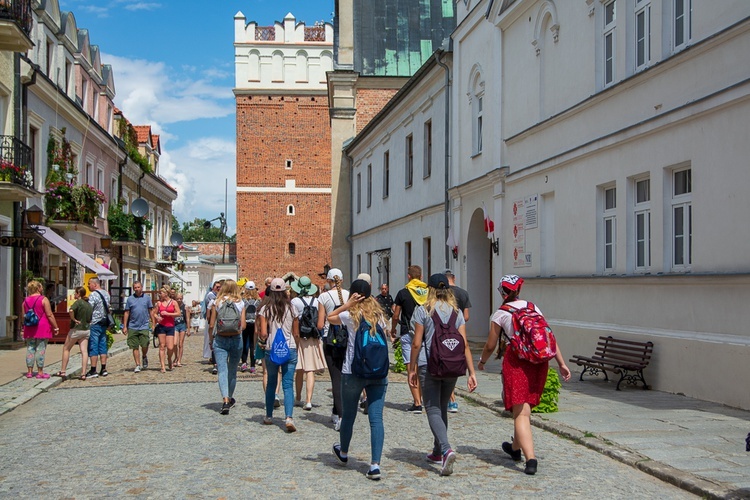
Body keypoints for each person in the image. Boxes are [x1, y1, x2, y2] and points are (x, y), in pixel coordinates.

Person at [477, 274, 572, 476]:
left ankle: (531, 459)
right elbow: (547, 336)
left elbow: (490, 345)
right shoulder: (532, 307)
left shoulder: (500, 314)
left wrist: (482, 362)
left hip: (517, 361)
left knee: (521, 413)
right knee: (525, 410)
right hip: (539, 362)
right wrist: (561, 363)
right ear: (519, 290)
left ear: (502, 292)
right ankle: (514, 449)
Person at [408, 273, 477, 476]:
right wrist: (471, 372)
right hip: (452, 365)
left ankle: (446, 449)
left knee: (432, 408)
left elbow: (416, 343)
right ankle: (438, 451)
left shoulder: (423, 310)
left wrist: (411, 368)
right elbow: (464, 344)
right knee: (443, 407)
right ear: (448, 290)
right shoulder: (456, 312)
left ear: (429, 290)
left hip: (429, 365)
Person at [328, 279, 388, 481]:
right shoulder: (380, 316)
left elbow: (330, 317)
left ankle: (343, 453)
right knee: (376, 418)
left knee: (350, 415)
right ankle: (375, 465)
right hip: (378, 372)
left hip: (352, 372)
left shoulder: (349, 315)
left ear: (353, 295)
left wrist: (348, 304)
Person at [258, 278, 299, 432]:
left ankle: (269, 416)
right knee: (288, 385)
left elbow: (263, 333)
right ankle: (289, 417)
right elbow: (296, 332)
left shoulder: (265, 309)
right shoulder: (292, 308)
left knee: (271, 383)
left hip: (271, 348)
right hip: (290, 347)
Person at [391, 265, 428, 413]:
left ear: (409, 277)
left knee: (411, 367)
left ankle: (417, 403)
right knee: (424, 367)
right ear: (421, 277)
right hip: (426, 333)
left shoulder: (403, 293)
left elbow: (396, 315)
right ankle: (427, 400)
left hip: (408, 333)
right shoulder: (429, 292)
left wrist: (393, 329)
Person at [317, 268, 350, 430]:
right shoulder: (349, 295)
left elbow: (320, 323)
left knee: (336, 378)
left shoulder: (324, 296)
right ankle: (336, 412)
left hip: (330, 339)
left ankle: (341, 417)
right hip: (347, 339)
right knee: (345, 376)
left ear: (329, 281)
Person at [208, 279, 246, 415]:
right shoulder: (241, 303)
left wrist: (211, 339)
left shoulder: (216, 303)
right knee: (232, 370)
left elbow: (212, 325)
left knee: (222, 371)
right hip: (236, 339)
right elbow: (244, 325)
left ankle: (224, 400)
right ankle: (230, 398)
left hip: (220, 339)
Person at [291, 276, 326, 410]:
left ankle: (298, 397)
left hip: (299, 337)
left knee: (299, 369)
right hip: (313, 337)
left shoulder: (295, 301)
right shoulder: (317, 301)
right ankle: (309, 400)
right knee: (310, 369)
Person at [445, 269, 472, 413]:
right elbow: (466, 316)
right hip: (458, 332)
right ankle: (451, 399)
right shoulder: (463, 293)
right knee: (455, 361)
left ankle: (451, 398)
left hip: (444, 331)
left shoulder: (443, 293)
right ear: (454, 278)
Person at [22, 280, 59, 379]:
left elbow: (23, 315)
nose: (42, 288)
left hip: (29, 327)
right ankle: (40, 372)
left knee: (30, 349)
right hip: (42, 327)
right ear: (38, 288)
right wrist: (56, 326)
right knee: (40, 349)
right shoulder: (43, 299)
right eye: (41, 287)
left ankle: (29, 371)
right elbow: (49, 314)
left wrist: (23, 327)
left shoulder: (25, 301)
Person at [57, 287, 92, 380]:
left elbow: (71, 310)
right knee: (84, 351)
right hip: (86, 329)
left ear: (78, 294)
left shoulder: (78, 302)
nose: (74, 295)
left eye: (75, 293)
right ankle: (83, 373)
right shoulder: (88, 304)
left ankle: (63, 371)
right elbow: (90, 318)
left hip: (76, 329)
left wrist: (73, 319)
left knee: (66, 348)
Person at [122, 281, 153, 373]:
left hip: (144, 325)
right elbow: (127, 312)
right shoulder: (130, 299)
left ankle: (144, 356)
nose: (137, 289)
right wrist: (125, 326)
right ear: (133, 288)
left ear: (141, 287)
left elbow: (150, 311)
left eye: (138, 287)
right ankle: (138, 364)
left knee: (145, 344)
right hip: (133, 326)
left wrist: (153, 323)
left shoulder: (147, 298)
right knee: (134, 346)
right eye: (135, 287)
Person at [87, 277, 111, 378]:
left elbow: (89, 308)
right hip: (104, 322)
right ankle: (104, 368)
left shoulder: (93, 295)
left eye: (89, 284)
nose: (88, 286)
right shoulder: (106, 293)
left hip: (95, 322)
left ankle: (93, 370)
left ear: (95, 284)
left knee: (94, 345)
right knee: (103, 345)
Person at [152, 287, 178, 373]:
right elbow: (153, 313)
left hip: (170, 326)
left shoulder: (174, 302)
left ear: (166, 293)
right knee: (162, 346)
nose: (160, 294)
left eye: (161, 293)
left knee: (170, 347)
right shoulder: (159, 303)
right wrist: (157, 317)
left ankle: (169, 358)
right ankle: (162, 366)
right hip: (161, 326)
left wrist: (168, 313)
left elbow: (178, 313)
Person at [241, 281, 261, 373]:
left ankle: (244, 363)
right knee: (253, 345)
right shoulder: (258, 300)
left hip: (245, 323)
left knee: (245, 343)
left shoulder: (243, 300)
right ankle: (253, 365)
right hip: (255, 324)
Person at [203, 281, 222, 374]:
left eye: (219, 287)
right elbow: (208, 313)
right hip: (216, 323)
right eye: (217, 287)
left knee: (215, 343)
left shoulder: (215, 300)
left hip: (217, 324)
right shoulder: (211, 296)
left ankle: (215, 362)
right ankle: (216, 362)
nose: (218, 289)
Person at [174, 293, 189, 367]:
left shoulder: (185, 307)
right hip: (175, 325)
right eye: (178, 298)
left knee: (180, 344)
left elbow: (188, 318)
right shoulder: (174, 306)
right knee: (175, 343)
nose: (179, 300)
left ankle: (179, 360)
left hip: (182, 325)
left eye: (180, 298)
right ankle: (176, 357)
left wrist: (188, 328)